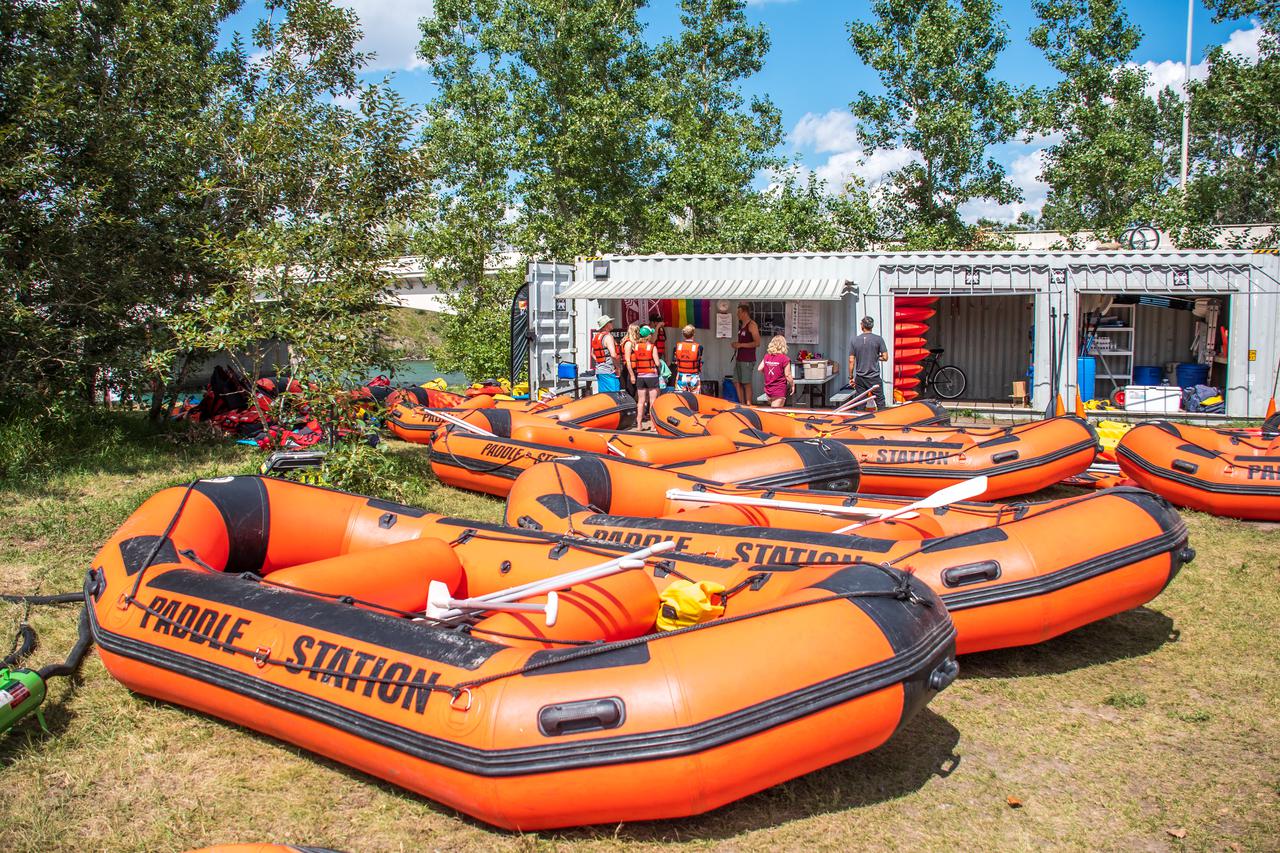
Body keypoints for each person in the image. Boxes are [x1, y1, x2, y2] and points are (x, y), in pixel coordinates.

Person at [848, 315, 888, 410]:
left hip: (860, 378)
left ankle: (859, 422)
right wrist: (876, 357)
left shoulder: (854, 340)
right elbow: (885, 357)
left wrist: (851, 377)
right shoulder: (879, 339)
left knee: (860, 402)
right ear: (872, 326)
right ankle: (884, 421)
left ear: (862, 326)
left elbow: (851, 360)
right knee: (880, 401)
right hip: (874, 377)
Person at [633, 325, 662, 429]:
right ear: (649, 336)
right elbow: (657, 363)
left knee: (641, 401)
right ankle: (653, 425)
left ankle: (639, 425)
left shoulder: (636, 346)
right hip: (651, 376)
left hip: (640, 376)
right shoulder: (652, 347)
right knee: (652, 401)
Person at [731, 303, 760, 405]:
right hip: (739, 358)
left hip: (747, 359)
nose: (737, 315)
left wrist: (741, 345)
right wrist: (736, 345)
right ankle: (741, 403)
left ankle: (748, 404)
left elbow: (757, 343)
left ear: (745, 312)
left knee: (746, 383)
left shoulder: (752, 325)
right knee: (736, 381)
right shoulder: (741, 325)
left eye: (739, 312)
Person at [758, 335, 794, 408]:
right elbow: (787, 375)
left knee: (772, 412)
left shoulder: (767, 356)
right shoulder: (785, 359)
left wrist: (770, 373)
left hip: (768, 390)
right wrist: (793, 385)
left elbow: (760, 368)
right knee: (776, 413)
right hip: (779, 390)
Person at [591, 315, 621, 393]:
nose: (612, 323)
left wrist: (600, 362)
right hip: (609, 371)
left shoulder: (595, 337)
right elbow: (613, 355)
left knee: (604, 397)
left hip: (599, 371)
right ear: (606, 325)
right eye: (610, 322)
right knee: (614, 396)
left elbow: (592, 353)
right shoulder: (608, 337)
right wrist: (618, 368)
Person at [672, 324, 703, 392]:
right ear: (693, 334)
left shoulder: (677, 347)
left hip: (681, 376)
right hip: (693, 376)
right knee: (695, 399)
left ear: (683, 334)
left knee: (681, 399)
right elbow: (699, 360)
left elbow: (674, 361)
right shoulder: (699, 347)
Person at [621, 322, 640, 401]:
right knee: (631, 392)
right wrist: (632, 375)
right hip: (629, 371)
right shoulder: (628, 343)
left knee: (636, 392)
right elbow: (628, 360)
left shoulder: (635, 343)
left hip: (635, 370)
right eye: (638, 332)